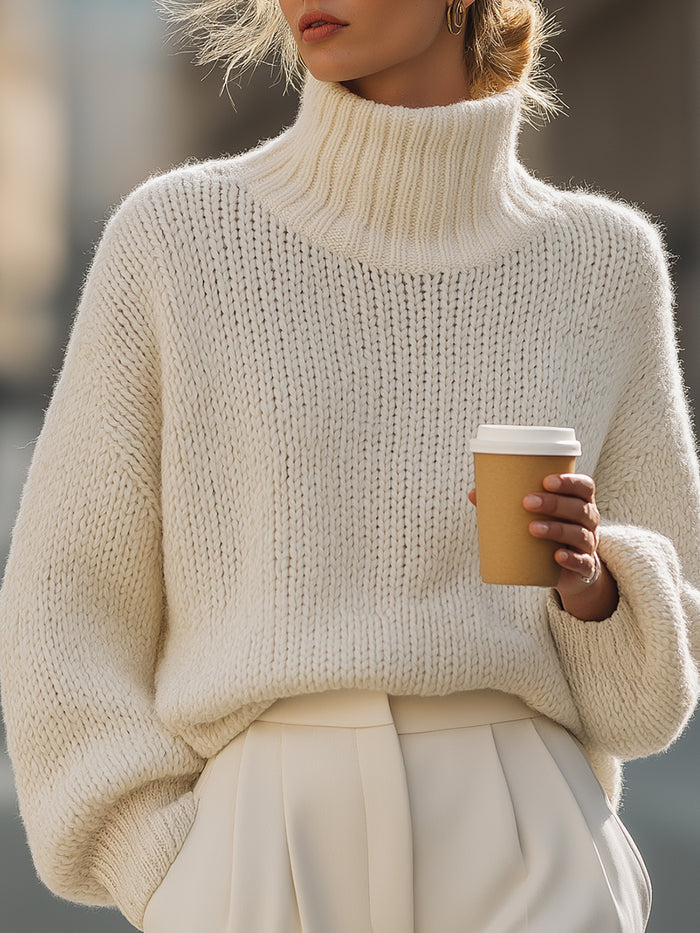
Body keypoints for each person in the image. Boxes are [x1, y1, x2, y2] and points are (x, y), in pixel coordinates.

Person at [0, 1, 698, 930]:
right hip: (253, 851)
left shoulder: (606, 263)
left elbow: (652, 690)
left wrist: (597, 585)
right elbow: (64, 604)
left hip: (532, 850)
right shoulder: (174, 242)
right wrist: (162, 864)